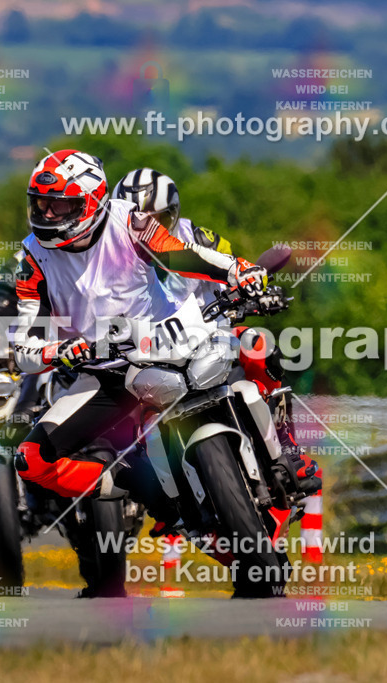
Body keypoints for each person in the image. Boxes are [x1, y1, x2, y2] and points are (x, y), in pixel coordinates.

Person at [11, 149, 271, 527]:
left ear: (93, 202)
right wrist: (60, 351)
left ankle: (275, 454)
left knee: (255, 347)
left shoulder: (129, 220)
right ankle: (139, 483)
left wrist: (238, 270)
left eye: (59, 206)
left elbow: (180, 255)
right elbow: (23, 345)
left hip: (168, 339)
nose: (47, 215)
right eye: (41, 204)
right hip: (105, 369)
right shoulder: (32, 257)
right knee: (31, 460)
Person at [113, 167, 324, 563]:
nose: (146, 227)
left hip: (209, 338)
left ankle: (288, 446)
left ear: (171, 215)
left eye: (154, 219)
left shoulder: (199, 238)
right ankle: (163, 501)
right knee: (122, 423)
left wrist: (254, 287)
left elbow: (233, 267)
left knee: (258, 342)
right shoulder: (110, 262)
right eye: (136, 218)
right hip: (153, 357)